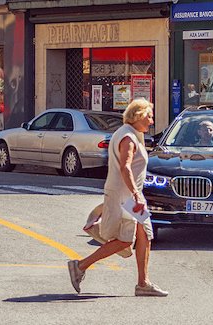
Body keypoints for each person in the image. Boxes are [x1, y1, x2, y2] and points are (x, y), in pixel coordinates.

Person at [68, 98, 166, 298]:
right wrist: (137, 195)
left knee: (143, 235)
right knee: (128, 239)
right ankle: (81, 266)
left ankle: (142, 283)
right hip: (128, 197)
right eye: (149, 116)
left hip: (125, 194)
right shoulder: (128, 137)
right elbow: (125, 166)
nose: (152, 120)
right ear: (138, 116)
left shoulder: (128, 133)